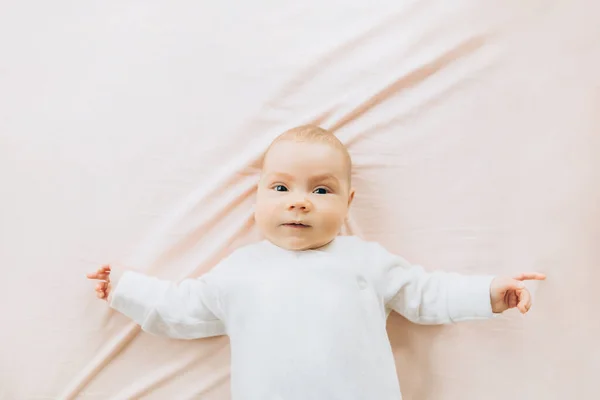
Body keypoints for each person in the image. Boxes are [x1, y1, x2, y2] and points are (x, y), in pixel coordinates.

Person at [87, 125, 546, 400]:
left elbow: (425, 294)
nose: (299, 203)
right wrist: (126, 288)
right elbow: (180, 308)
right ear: (258, 196)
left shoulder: (366, 261)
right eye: (281, 188)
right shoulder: (238, 270)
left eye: (320, 190)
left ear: (348, 202)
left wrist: (489, 293)